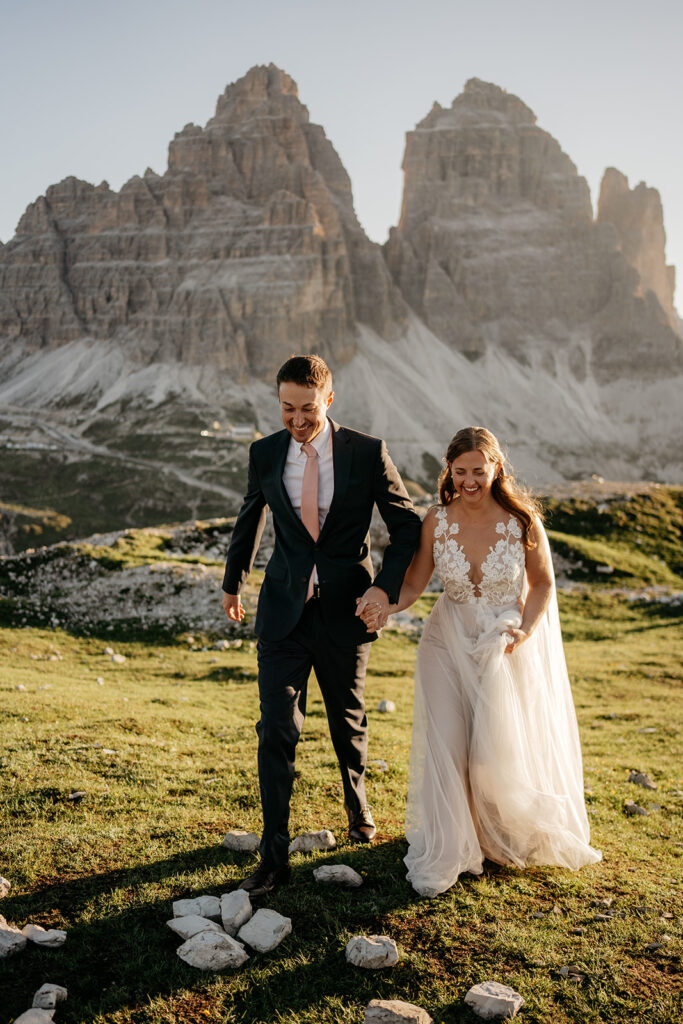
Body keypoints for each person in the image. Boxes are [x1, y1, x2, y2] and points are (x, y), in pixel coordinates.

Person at [361, 426, 601, 897]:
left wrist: (524, 630)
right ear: (449, 470)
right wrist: (386, 605)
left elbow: (544, 584)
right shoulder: (436, 520)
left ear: (496, 469)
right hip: (444, 642)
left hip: (501, 644)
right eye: (461, 470)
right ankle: (453, 846)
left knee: (490, 756)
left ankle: (498, 834)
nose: (470, 480)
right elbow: (415, 584)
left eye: (479, 470)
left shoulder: (522, 520)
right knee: (448, 746)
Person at [222, 354, 422, 896]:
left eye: (307, 408)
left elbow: (407, 527)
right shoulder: (264, 453)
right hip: (284, 612)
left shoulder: (367, 452)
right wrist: (232, 580)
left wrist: (385, 588)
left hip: (347, 611)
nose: (296, 419)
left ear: (328, 401)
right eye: (287, 408)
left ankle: (357, 802)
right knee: (277, 728)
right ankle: (274, 854)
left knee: (347, 719)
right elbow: (251, 515)